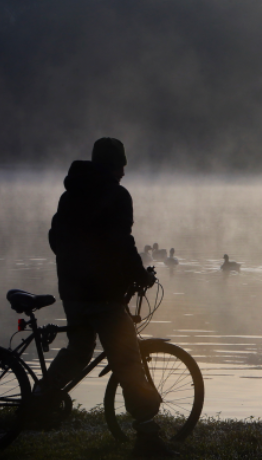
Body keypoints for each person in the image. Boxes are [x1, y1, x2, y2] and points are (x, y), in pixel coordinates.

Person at [39, 137, 173, 458]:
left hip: (72, 292)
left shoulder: (69, 195)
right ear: (114, 164)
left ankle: (40, 398)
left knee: (79, 348)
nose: (125, 171)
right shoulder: (116, 195)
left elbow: (56, 239)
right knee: (127, 360)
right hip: (104, 295)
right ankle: (147, 435)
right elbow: (121, 243)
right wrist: (139, 276)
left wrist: (76, 269)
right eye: (122, 164)